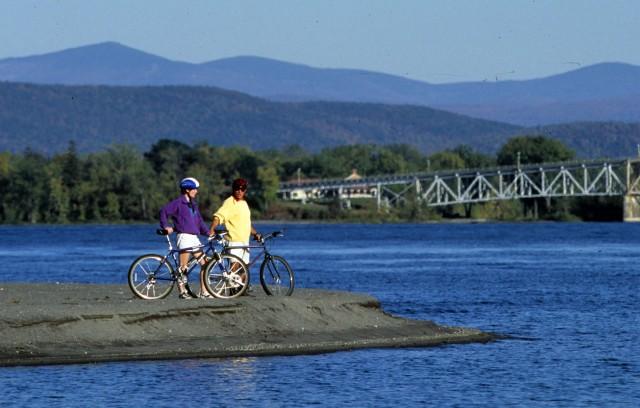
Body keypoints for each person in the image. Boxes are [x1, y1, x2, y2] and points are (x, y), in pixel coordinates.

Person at [159, 177, 212, 299]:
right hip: (184, 237)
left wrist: (209, 233)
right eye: (194, 189)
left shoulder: (193, 205)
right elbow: (163, 211)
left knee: (204, 264)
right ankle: (182, 292)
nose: (196, 191)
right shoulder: (178, 203)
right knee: (183, 266)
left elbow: (199, 222)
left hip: (194, 238)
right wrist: (165, 226)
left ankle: (204, 291)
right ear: (187, 190)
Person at [209, 178, 261, 268]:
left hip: (244, 242)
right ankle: (227, 282)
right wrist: (212, 229)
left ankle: (241, 282)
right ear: (233, 189)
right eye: (237, 188)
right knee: (234, 269)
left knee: (244, 270)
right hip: (234, 242)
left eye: (242, 189)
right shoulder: (230, 202)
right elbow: (218, 216)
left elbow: (246, 224)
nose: (239, 191)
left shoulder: (244, 203)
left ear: (245, 190)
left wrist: (255, 234)